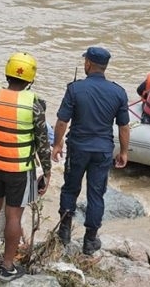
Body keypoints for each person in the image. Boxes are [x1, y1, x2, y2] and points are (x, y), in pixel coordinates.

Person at [0, 52, 51, 282]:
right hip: (19, 168)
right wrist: (47, 171)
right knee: (13, 216)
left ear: (7, 73)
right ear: (31, 80)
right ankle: (7, 266)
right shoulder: (34, 106)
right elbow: (42, 144)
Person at [53, 47, 129, 256]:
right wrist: (123, 152)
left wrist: (57, 145)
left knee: (70, 189)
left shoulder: (75, 89)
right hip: (103, 151)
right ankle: (90, 240)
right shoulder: (118, 92)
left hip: (78, 148)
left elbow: (62, 120)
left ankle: (64, 233)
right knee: (96, 195)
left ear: (87, 63)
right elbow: (124, 126)